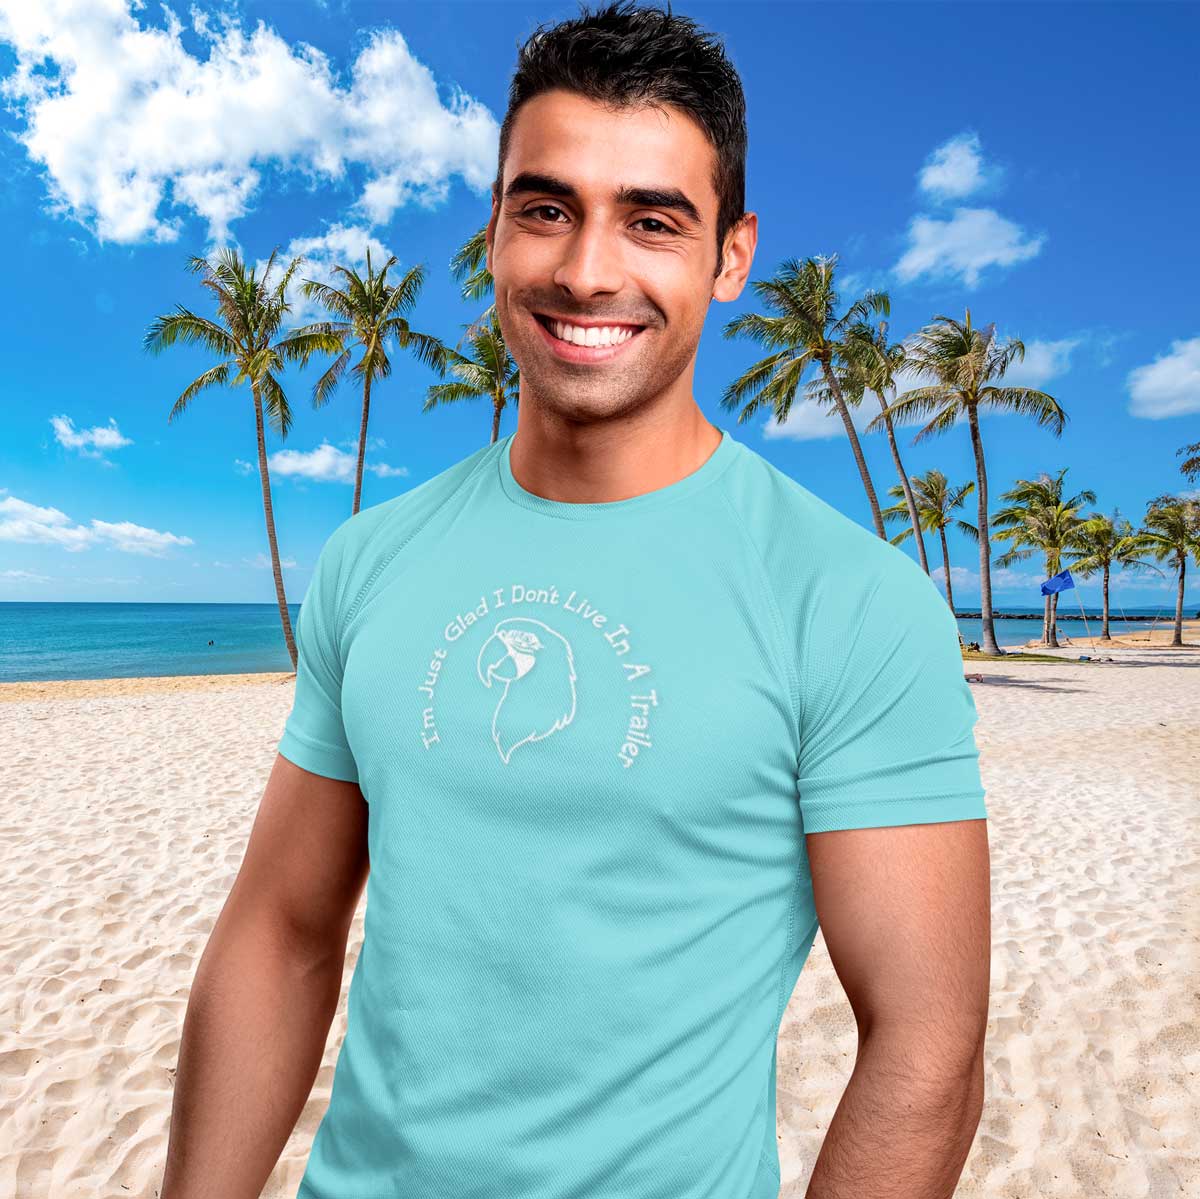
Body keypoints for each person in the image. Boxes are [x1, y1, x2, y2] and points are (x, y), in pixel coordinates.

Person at [159, 4, 990, 1197]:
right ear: (494, 229)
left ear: (732, 255)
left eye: (654, 221)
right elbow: (282, 933)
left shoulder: (851, 602)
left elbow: (928, 1046)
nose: (588, 268)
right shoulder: (370, 557)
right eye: (546, 208)